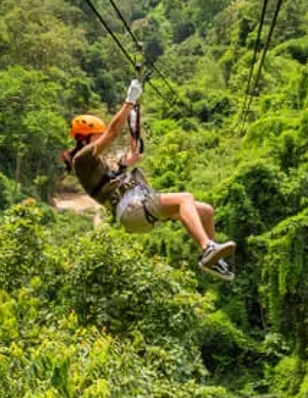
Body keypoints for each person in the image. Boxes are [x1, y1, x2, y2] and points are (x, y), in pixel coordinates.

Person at [62, 79, 236, 280]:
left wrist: (127, 162)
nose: (100, 140)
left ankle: (213, 259)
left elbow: (110, 180)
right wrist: (129, 101)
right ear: (84, 138)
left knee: (206, 211)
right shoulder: (82, 159)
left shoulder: (96, 164)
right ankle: (207, 249)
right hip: (132, 208)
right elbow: (113, 132)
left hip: (135, 208)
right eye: (96, 136)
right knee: (185, 198)